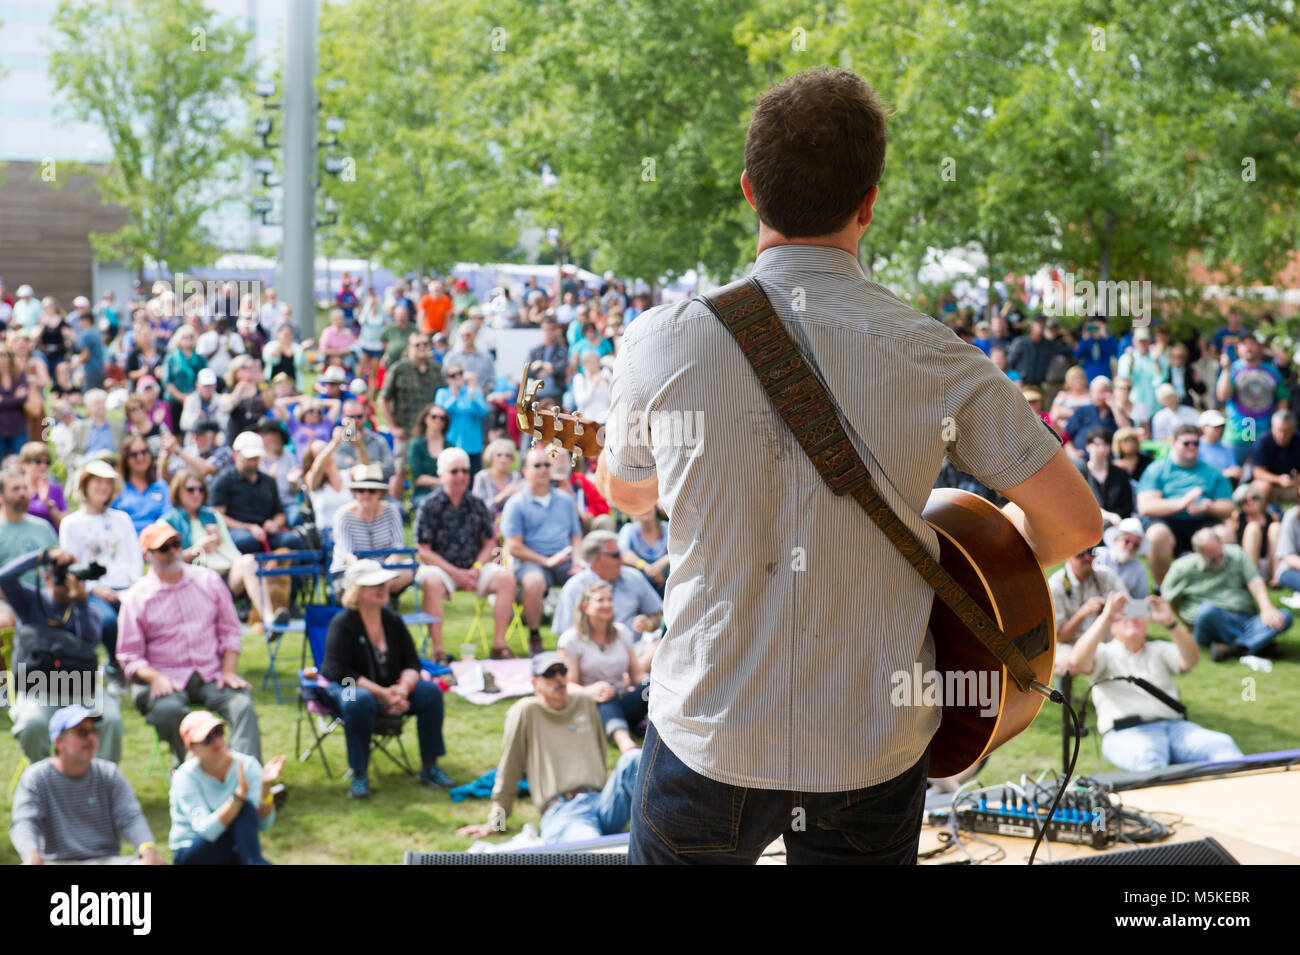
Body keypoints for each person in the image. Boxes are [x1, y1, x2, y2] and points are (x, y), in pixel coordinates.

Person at [595, 68, 1099, 864]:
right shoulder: (936, 354)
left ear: (749, 191)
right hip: (872, 742)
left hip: (709, 730)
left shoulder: (660, 339)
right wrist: (974, 566)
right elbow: (1076, 523)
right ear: (869, 201)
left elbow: (627, 494)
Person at [455, 652, 641, 846]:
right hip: (563, 812)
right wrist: (497, 823)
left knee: (634, 758)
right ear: (535, 683)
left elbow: (601, 754)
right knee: (592, 848)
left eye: (562, 671)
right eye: (549, 674)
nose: (558, 679)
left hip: (602, 801)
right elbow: (509, 770)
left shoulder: (583, 701)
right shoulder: (525, 712)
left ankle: (667, 825)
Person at [117, 522, 262, 763]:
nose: (173, 551)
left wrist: (228, 670)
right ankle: (191, 773)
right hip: (165, 677)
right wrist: (154, 677)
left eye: (176, 544)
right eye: (164, 548)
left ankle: (247, 781)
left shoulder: (209, 581)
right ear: (147, 555)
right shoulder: (136, 597)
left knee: (242, 704)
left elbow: (230, 631)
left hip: (210, 671)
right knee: (168, 711)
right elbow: (129, 656)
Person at [320, 560, 456, 797]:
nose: (383, 588)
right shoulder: (342, 623)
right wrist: (382, 694)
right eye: (375, 584)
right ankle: (359, 773)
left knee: (431, 692)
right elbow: (336, 670)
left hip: (392, 685)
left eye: (384, 583)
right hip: (349, 685)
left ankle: (430, 766)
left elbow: (413, 662)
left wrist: (403, 689)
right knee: (357, 700)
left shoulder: (392, 620)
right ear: (358, 591)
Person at [1069, 593, 1243, 770]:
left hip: (1176, 728)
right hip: (1125, 732)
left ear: (1146, 623)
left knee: (1222, 745)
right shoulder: (1104, 653)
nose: (1131, 619)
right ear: (1112, 627)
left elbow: (1191, 660)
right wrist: (1106, 616)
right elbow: (1077, 662)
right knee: (1149, 756)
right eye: (1123, 615)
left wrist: (1170, 623)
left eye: (1137, 614)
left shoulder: (1158, 649)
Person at [1, 549, 126, 764]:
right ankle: (45, 778)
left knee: (112, 719)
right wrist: (43, 556)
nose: (65, 582)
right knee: (31, 724)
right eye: (61, 576)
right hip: (38, 688)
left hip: (82, 687)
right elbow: (4, 578)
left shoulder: (88, 607)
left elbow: (89, 646)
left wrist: (80, 604)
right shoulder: (30, 602)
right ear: (47, 577)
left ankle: (102, 779)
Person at [10, 705, 163, 865]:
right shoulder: (37, 777)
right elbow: (24, 822)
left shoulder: (109, 773)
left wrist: (148, 849)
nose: (91, 738)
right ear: (58, 741)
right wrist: (32, 855)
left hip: (107, 861)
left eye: (94, 731)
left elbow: (131, 817)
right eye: (82, 732)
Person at [413, 447, 514, 661]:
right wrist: (456, 573)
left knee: (506, 578)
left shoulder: (476, 504)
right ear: (441, 475)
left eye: (465, 471)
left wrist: (475, 569)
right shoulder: (429, 505)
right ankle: (438, 650)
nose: (461, 476)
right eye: (454, 471)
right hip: (440, 569)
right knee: (430, 581)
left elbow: (489, 543)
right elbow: (423, 551)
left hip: (474, 568)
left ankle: (499, 645)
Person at [161, 468, 285, 629]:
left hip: (223, 575)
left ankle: (270, 620)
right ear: (178, 491)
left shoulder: (212, 515)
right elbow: (166, 562)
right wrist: (197, 549)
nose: (196, 494)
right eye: (190, 489)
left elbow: (232, 550)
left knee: (248, 561)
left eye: (201, 489)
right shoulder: (168, 522)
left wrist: (222, 547)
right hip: (193, 580)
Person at [58, 460, 141, 680]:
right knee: (108, 622)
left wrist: (134, 583)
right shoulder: (71, 523)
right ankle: (115, 664)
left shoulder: (122, 519)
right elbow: (71, 565)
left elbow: (134, 554)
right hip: (94, 591)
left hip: (126, 585)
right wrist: (95, 588)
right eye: (97, 481)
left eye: (107, 482)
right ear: (85, 485)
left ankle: (138, 664)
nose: (102, 487)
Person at [503, 445, 588, 656]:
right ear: (525, 471)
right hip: (530, 561)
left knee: (586, 577)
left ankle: (577, 636)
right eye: (537, 465)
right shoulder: (516, 503)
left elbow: (575, 536)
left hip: (564, 558)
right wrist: (545, 561)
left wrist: (577, 559)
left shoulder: (565, 500)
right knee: (534, 582)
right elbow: (513, 547)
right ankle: (534, 635)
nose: (543, 469)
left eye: (546, 465)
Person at [169, 711, 284, 865]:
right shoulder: (184, 777)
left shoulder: (247, 765)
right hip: (192, 854)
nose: (216, 741)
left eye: (218, 732)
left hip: (232, 848)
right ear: (192, 748)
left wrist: (265, 787)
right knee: (244, 808)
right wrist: (237, 799)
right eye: (207, 738)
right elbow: (207, 831)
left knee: (246, 809)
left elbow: (264, 824)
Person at [1162, 527, 1291, 662]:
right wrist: (1185, 623)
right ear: (1198, 553)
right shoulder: (1182, 568)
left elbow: (1255, 580)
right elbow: (1168, 599)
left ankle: (1232, 649)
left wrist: (1266, 607)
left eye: (1220, 555)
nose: (1218, 560)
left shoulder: (1236, 554)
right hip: (1210, 624)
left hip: (1245, 620)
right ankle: (1259, 645)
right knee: (1208, 611)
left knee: (1284, 616)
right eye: (1213, 559)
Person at [557, 581, 648, 754]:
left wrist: (651, 684)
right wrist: (591, 691)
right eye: (600, 600)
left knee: (652, 686)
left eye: (609, 599)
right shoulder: (571, 640)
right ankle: (625, 744)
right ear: (585, 607)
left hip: (623, 700)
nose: (607, 604)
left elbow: (636, 675)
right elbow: (568, 686)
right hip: (591, 705)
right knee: (606, 691)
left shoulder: (622, 633)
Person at [1138, 424, 1235, 584]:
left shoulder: (1212, 472)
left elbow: (1228, 508)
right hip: (1167, 522)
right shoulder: (1157, 469)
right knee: (1156, 534)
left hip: (1203, 521)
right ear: (1174, 443)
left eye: (1196, 443)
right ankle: (1163, 588)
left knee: (1225, 534)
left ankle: (1216, 586)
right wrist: (1182, 503)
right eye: (1186, 443)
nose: (1192, 447)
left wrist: (1208, 507)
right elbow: (1146, 506)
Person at [552, 530, 663, 645]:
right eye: (615, 555)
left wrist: (648, 624)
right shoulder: (574, 587)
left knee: (658, 648)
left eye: (620, 553)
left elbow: (656, 616)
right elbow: (565, 635)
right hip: (590, 654)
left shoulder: (633, 577)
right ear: (597, 559)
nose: (621, 559)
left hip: (633, 651)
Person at [210, 431, 301, 554]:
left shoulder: (268, 481)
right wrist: (248, 527)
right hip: (238, 532)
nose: (253, 463)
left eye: (256, 458)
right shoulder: (223, 480)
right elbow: (217, 515)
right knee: (246, 541)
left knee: (292, 541)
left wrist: (274, 524)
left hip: (265, 533)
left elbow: (280, 513)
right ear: (236, 455)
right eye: (249, 459)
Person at [379, 332, 443, 500]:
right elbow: (383, 399)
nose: (421, 348)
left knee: (433, 470)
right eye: (417, 345)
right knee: (401, 470)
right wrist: (393, 427)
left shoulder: (436, 370)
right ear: (410, 348)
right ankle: (396, 510)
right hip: (405, 429)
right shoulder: (399, 369)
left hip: (430, 432)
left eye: (425, 344)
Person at [330, 463, 408, 597]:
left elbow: (398, 546)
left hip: (386, 568)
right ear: (355, 493)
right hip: (352, 569)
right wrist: (371, 572)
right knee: (361, 579)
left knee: (411, 568)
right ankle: (377, 596)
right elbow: (347, 554)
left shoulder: (391, 511)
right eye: (360, 490)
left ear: (380, 493)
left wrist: (391, 562)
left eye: (371, 490)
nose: (366, 494)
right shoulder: (343, 515)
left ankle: (376, 596)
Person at [1217, 331, 1287, 467]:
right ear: (1238, 348)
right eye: (1244, 344)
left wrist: (1279, 426)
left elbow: (1283, 397)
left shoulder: (1272, 371)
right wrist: (1225, 370)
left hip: (1265, 434)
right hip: (1236, 434)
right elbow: (1222, 396)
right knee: (1231, 474)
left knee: (1263, 473)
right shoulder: (1232, 369)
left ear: (1260, 347)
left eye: (1252, 343)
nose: (1249, 347)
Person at [0, 467, 58, 584]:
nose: (22, 493)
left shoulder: (43, 527)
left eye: (25, 488)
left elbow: (57, 565)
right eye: (15, 489)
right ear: (1, 496)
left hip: (45, 599)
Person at [435, 366, 489, 474]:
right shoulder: (442, 393)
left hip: (473, 444)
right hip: (451, 443)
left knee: (473, 478)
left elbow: (483, 413)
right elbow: (439, 415)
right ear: (447, 379)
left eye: (460, 373)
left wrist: (473, 397)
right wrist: (453, 398)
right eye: (453, 375)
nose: (457, 377)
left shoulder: (475, 392)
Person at [1076, 427, 1133, 527]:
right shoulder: (1079, 473)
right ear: (1088, 446)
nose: (1101, 449)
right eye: (1097, 444)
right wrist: (1108, 516)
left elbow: (1126, 507)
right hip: (1087, 526)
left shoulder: (1120, 474)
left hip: (1117, 527)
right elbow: (1079, 505)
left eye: (1105, 445)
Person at [331, 398, 395, 482]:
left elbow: (390, 468)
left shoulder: (378, 440)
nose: (356, 420)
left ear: (365, 416)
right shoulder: (337, 441)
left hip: (375, 490)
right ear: (343, 417)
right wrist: (374, 466)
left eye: (359, 416)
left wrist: (354, 468)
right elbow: (336, 468)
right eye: (351, 417)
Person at [1228, 483, 1280, 581]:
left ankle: (1276, 577)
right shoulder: (1237, 518)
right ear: (1240, 505)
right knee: (1253, 527)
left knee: (1275, 527)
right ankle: (1253, 578)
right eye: (1245, 501)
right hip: (1248, 563)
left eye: (1254, 498)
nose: (1250, 502)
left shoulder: (1271, 517)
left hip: (1269, 562)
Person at [1248, 409, 1300, 505]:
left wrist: (1296, 479)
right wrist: (1279, 479)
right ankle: (1263, 518)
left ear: (1293, 429)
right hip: (1268, 484)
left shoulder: (1298, 440)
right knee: (1263, 487)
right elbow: (1257, 472)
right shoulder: (1263, 441)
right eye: (1278, 431)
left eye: (1286, 432)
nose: (1282, 436)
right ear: (1272, 428)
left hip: (1291, 485)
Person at [1094, 517, 1151, 600]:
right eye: (1127, 541)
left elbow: (1140, 602)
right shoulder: (1099, 555)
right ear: (1116, 539)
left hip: (1123, 610)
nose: (1131, 547)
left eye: (1136, 545)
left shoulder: (1139, 568)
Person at [619, 507, 669, 594]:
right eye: (641, 506)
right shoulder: (629, 529)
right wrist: (645, 567)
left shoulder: (667, 527)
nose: (645, 509)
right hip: (639, 586)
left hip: (667, 581)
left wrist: (662, 563)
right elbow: (623, 552)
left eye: (648, 505)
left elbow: (681, 550)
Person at [408, 402, 449, 510]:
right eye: (434, 417)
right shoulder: (417, 445)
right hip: (423, 494)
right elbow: (418, 478)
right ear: (425, 419)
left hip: (448, 493)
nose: (438, 420)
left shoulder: (450, 446)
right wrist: (442, 481)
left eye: (442, 418)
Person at [471, 437, 521, 524]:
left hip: (513, 524)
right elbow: (478, 510)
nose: (503, 459)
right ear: (491, 457)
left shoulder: (515, 476)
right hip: (487, 526)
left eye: (507, 455)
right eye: (499, 455)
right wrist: (501, 496)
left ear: (512, 459)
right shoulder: (482, 477)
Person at [21, 441, 67, 531]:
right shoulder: (17, 489)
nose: (43, 466)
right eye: (38, 461)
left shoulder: (56, 489)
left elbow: (65, 524)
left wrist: (47, 502)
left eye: (47, 462)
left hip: (49, 541)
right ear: (24, 464)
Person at [0, 341, 32, 460]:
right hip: (1, 427)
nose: (4, 358)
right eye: (1, 354)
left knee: (22, 460)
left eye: (7, 354)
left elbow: (23, 399)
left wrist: (4, 400)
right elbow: (18, 399)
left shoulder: (19, 374)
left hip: (18, 425)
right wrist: (14, 398)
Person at [1197, 409, 1240, 483]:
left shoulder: (1227, 449)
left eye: (1222, 426)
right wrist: (1224, 473)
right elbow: (1196, 473)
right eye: (1215, 427)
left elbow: (1235, 472)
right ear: (1203, 428)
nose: (1220, 429)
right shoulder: (1193, 446)